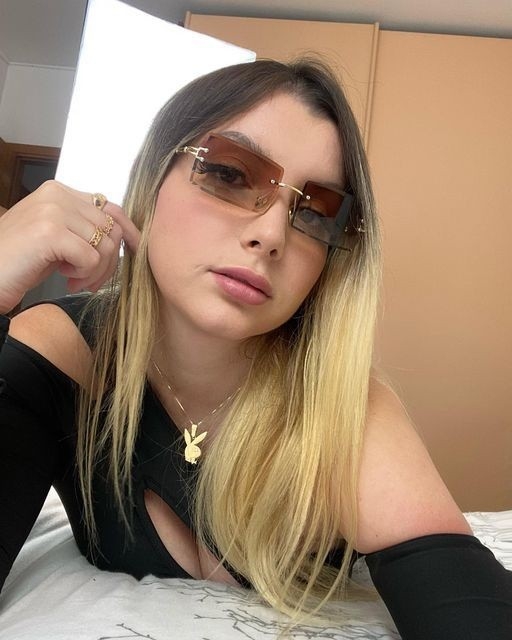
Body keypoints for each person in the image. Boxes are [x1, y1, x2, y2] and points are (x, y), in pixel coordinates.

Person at [0, 58, 510, 638]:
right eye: (230, 174)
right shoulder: (63, 351)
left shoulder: (338, 405)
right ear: (152, 178)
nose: (271, 235)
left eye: (316, 212)